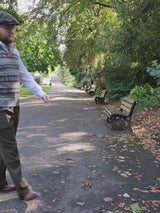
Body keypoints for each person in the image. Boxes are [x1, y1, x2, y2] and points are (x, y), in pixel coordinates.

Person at [0, 11, 49, 201]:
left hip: (14, 106)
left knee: (3, 147)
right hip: (0, 109)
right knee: (10, 148)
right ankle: (23, 189)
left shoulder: (14, 51)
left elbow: (24, 75)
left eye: (13, 28)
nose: (12, 31)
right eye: (7, 27)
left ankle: (1, 183)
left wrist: (40, 92)